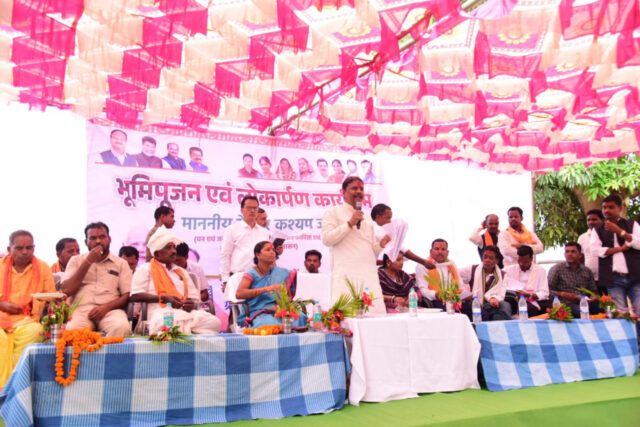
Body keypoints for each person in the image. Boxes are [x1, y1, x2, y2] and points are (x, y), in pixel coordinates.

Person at [130, 227, 221, 335]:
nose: (174, 251)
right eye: (169, 248)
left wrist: (190, 304)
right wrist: (163, 298)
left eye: (174, 247)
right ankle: (185, 331)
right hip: (159, 314)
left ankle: (183, 330)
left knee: (214, 322)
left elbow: (195, 300)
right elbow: (135, 296)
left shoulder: (181, 272)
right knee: (165, 323)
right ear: (157, 254)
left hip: (185, 314)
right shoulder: (145, 269)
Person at [321, 177, 388, 312]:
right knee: (349, 318)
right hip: (347, 275)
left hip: (369, 275)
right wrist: (350, 223)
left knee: (375, 316)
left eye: (361, 189)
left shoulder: (366, 217)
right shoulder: (333, 212)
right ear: (343, 192)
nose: (358, 191)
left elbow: (371, 250)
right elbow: (327, 239)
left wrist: (381, 245)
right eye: (354, 188)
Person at [1, 230, 55, 387]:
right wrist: (2, 305)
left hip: (28, 319)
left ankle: (17, 384)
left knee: (36, 331)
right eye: (19, 248)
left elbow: (51, 296)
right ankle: (3, 387)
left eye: (29, 248)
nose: (25, 252)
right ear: (9, 249)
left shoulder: (43, 268)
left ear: (34, 248)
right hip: (2, 317)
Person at [61, 222, 131, 337]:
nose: (98, 241)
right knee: (71, 331)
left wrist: (106, 308)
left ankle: (110, 350)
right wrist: (88, 261)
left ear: (109, 239)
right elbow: (65, 290)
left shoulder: (121, 263)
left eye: (102, 237)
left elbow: (126, 295)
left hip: (110, 310)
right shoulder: (76, 261)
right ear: (86, 242)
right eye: (93, 238)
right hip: (81, 311)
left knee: (122, 327)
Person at [590, 194, 640, 335]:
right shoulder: (598, 229)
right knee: (620, 316)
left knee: (639, 313)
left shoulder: (632, 225)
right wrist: (621, 249)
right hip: (613, 279)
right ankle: (626, 344)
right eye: (604, 207)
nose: (606, 211)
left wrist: (619, 231)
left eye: (611, 207)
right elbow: (595, 250)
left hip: (635, 277)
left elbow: (638, 243)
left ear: (620, 208)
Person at [235, 241, 305, 327]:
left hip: (278, 310)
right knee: (270, 324)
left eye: (273, 250)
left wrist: (285, 304)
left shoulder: (280, 272)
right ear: (258, 254)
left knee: (300, 317)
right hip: (259, 311)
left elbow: (288, 297)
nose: (272, 252)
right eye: (268, 250)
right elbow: (239, 293)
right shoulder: (251, 273)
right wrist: (267, 289)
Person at [220, 196, 270, 287]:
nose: (252, 211)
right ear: (242, 210)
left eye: (255, 208)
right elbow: (225, 255)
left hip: (260, 278)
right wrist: (225, 280)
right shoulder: (232, 230)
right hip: (238, 278)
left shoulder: (264, 232)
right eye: (249, 208)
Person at [371, 203, 435, 270]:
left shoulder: (382, 231)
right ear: (378, 217)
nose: (390, 221)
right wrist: (423, 262)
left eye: (391, 218)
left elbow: (401, 249)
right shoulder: (376, 230)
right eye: (388, 218)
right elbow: (402, 249)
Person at [459, 246, 511, 321]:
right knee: (504, 307)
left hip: (491, 304)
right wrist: (464, 292)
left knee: (502, 308)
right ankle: (501, 327)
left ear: (497, 261)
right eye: (485, 257)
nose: (487, 260)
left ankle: (497, 327)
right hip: (475, 303)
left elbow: (501, 294)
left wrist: (494, 299)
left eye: (491, 258)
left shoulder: (503, 275)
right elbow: (455, 275)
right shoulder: (473, 269)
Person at [548, 242, 600, 317]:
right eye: (567, 251)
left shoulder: (586, 271)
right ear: (564, 254)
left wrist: (593, 297)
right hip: (565, 303)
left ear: (580, 255)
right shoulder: (557, 269)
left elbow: (594, 291)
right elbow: (548, 291)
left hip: (585, 302)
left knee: (604, 311)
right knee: (581, 312)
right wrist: (563, 294)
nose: (570, 254)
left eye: (573, 252)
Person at [415, 239, 464, 308]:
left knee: (474, 308)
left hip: (455, 299)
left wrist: (465, 294)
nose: (440, 252)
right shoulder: (424, 265)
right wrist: (436, 294)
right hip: (436, 301)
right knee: (452, 310)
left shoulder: (452, 264)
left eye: (443, 249)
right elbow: (422, 290)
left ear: (447, 252)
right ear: (431, 251)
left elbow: (460, 286)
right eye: (437, 249)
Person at [503, 245, 550, 317]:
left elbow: (545, 293)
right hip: (516, 300)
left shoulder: (540, 270)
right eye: (519, 261)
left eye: (525, 262)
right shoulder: (508, 270)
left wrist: (529, 295)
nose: (522, 264)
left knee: (547, 308)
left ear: (531, 259)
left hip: (535, 300)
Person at [578, 209, 604, 293]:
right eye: (588, 220)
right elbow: (580, 258)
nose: (591, 222)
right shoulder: (582, 237)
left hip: (607, 278)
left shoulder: (608, 235)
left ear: (602, 220)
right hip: (590, 279)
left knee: (608, 300)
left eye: (594, 219)